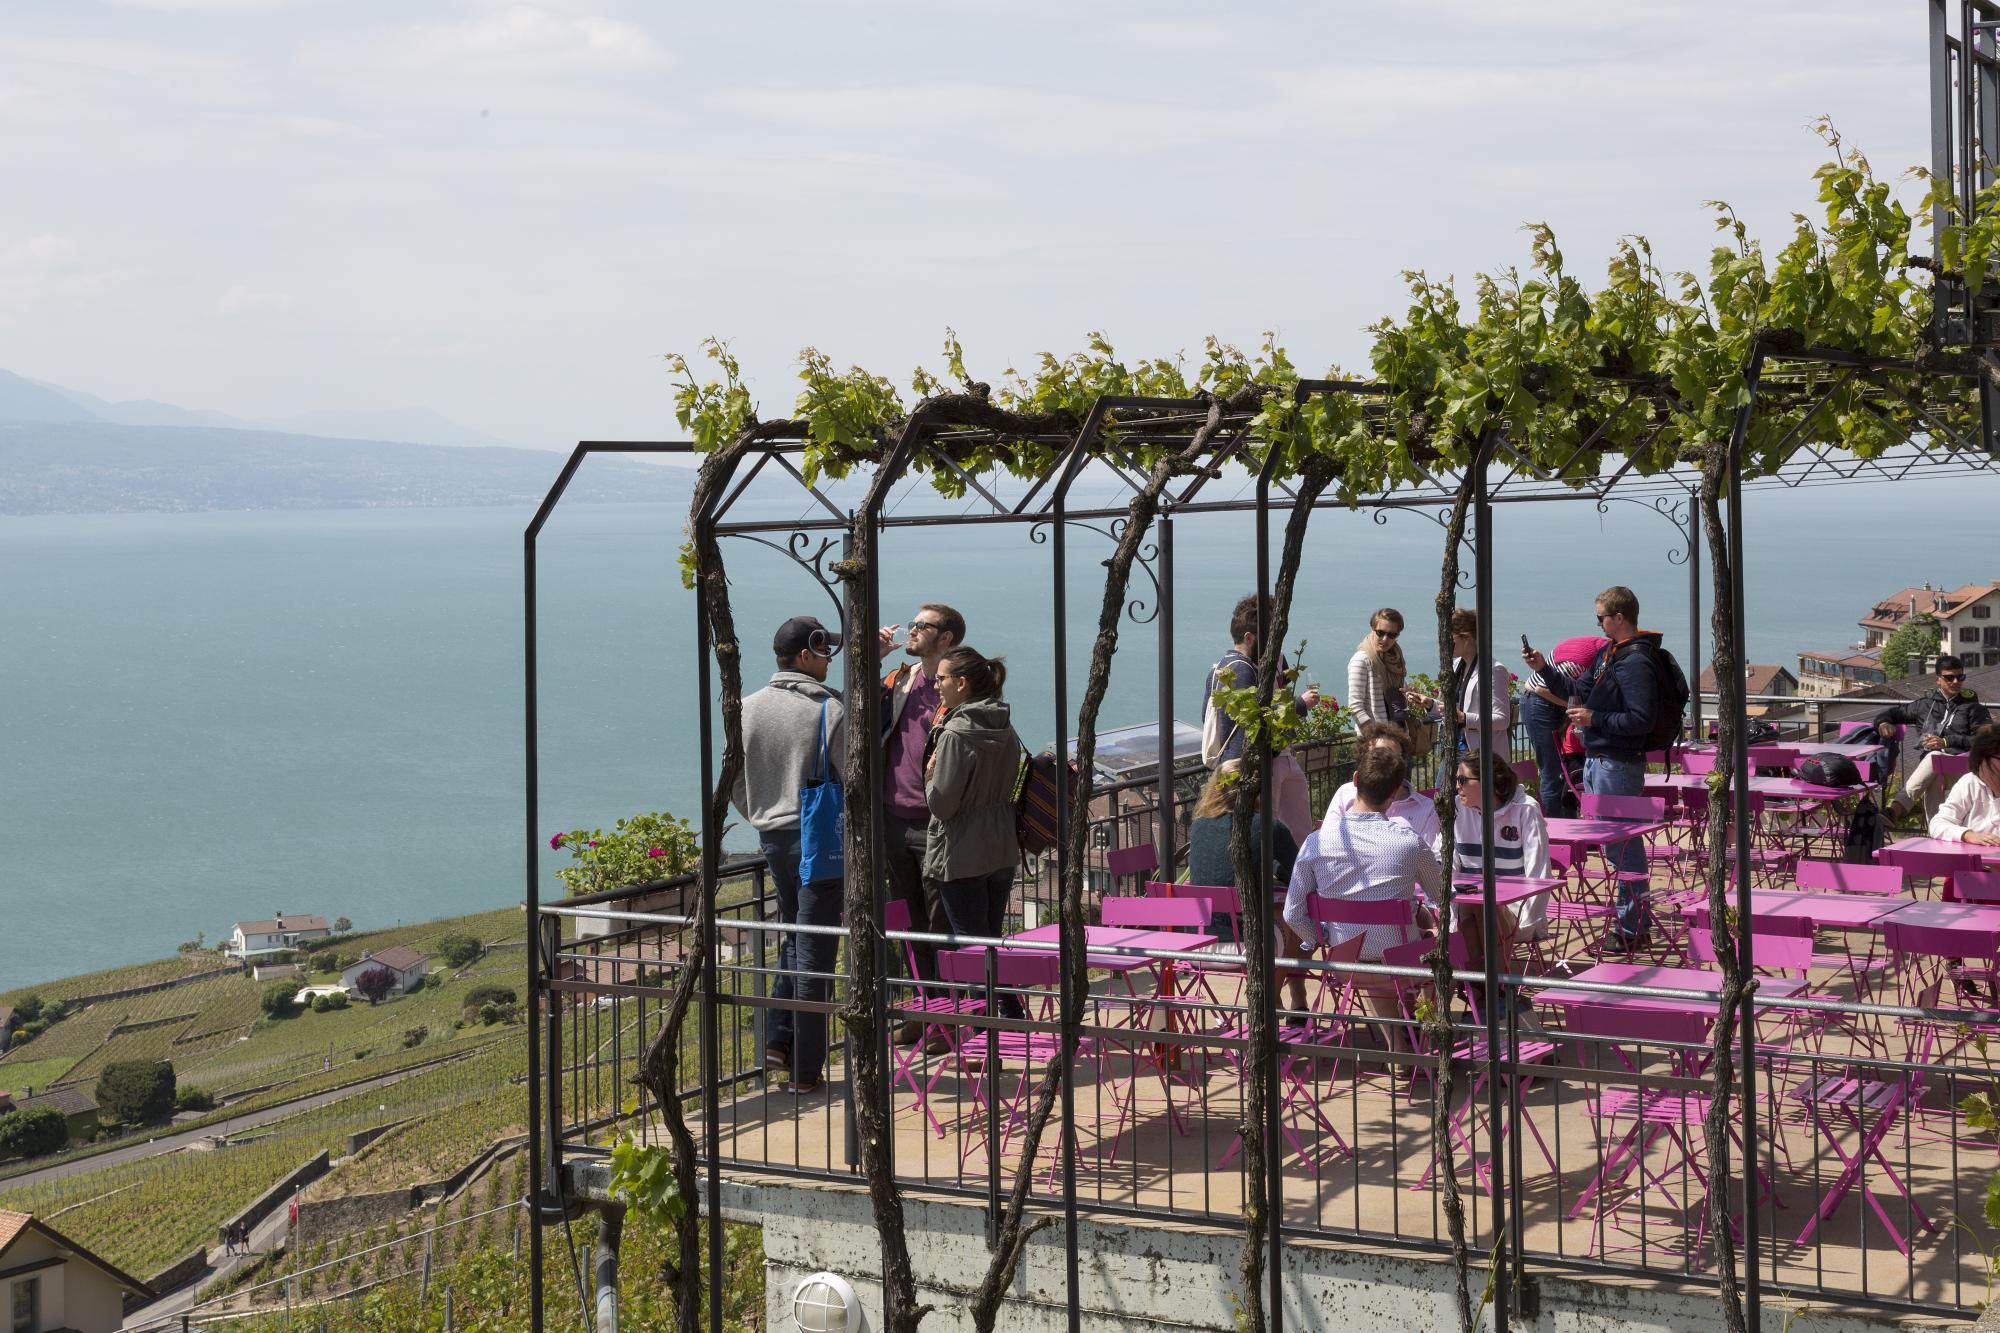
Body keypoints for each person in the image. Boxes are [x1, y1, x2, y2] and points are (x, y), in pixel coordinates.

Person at [731, 615, 846, 1093]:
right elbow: (851, 776)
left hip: (773, 837)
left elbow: (734, 779)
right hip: (821, 840)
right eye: (825, 653)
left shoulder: (745, 707)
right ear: (806, 655)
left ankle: (777, 1039)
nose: (828, 662)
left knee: (795, 938)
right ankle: (805, 1071)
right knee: (815, 954)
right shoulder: (831, 709)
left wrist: (760, 811)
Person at [1522, 585, 1659, 951]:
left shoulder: (1634, 662)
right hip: (1601, 761)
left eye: (1601, 617)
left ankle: (1633, 928)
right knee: (1615, 846)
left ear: (1619, 617)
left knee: (1622, 847)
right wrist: (1543, 669)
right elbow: (1574, 688)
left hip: (1617, 764)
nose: (1597, 623)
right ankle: (1631, 922)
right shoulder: (1609, 656)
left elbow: (1641, 719)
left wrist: (1595, 717)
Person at [1284, 747, 1441, 1039]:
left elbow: (1292, 912)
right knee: (1448, 950)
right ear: (1395, 792)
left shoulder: (1317, 842)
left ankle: (1398, 1047)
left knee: (1376, 955)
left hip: (1344, 962)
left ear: (1355, 780)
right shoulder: (1409, 842)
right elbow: (1441, 896)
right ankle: (1430, 1037)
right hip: (1402, 963)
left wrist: (1320, 937)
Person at [922, 646, 1028, 1017]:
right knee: (989, 943)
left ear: (961, 683)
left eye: (942, 678)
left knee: (971, 949)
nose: (937, 685)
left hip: (962, 852)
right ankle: (1011, 1015)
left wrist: (930, 773)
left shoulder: (956, 734)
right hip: (1000, 846)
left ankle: (990, 1033)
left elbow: (942, 805)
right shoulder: (1004, 724)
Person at [878, 603, 964, 1045]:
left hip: (936, 823)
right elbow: (857, 716)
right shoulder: (902, 679)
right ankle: (924, 1010)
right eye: (912, 623)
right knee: (908, 922)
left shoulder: (962, 684)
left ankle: (948, 1015)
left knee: (939, 923)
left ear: (945, 637)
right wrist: (869, 661)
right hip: (895, 817)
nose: (910, 630)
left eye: (921, 625)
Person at [1203, 593, 1319, 843]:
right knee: (1270, 833)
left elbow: (1207, 714)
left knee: (1295, 828)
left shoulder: (1224, 667)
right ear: (1249, 637)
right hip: (1258, 764)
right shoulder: (1241, 670)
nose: (1274, 643)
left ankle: (1297, 874)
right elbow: (1256, 726)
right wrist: (1299, 705)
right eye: (1269, 636)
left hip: (1277, 757)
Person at [1439, 755, 1552, 975]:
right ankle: (1491, 995)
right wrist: (1450, 918)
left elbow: (1538, 874)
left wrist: (1525, 924)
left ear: (1487, 781)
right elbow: (1445, 863)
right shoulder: (1455, 809)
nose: (1456, 786)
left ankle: (1483, 994)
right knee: (1474, 909)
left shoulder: (1525, 809)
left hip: (1517, 912)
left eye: (1462, 779)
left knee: (1481, 907)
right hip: (1469, 912)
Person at [1186, 759, 1299, 940]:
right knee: (1291, 916)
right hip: (1246, 942)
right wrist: (1277, 872)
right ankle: (1290, 969)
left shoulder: (1198, 827)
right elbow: (1301, 876)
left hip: (1195, 943)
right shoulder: (1269, 827)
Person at [1877, 655, 1992, 822]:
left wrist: (1946, 742)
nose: (1955, 681)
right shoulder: (1925, 705)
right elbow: (1891, 713)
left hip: (1964, 768)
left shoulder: (1973, 708)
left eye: (1960, 677)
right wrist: (1883, 723)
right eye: (1949, 677)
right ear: (1938, 680)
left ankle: (1896, 808)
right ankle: (1936, 832)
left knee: (1934, 757)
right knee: (1934, 774)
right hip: (1936, 769)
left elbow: (1984, 741)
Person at [1404, 608, 1512, 760]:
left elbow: (1502, 720)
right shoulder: (1457, 665)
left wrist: (1465, 718)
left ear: (1466, 638)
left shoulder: (1493, 670)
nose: (1445, 643)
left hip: (1476, 753)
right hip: (1453, 746)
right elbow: (1453, 709)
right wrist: (1430, 704)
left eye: (1450, 638)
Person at [1521, 633, 1607, 818]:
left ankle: (1571, 825)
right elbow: (1541, 690)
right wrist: (1582, 709)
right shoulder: (1577, 663)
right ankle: (1555, 832)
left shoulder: (1602, 654)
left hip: (1557, 701)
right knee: (1553, 771)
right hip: (1539, 702)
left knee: (1566, 771)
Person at [1320, 721, 1441, 849]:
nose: (1385, 763)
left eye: (1393, 757)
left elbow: (1427, 861)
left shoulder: (1427, 809)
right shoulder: (1346, 793)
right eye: (1377, 756)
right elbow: (1326, 843)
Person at [1931, 722, 2000, 846]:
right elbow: (1938, 824)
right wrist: (1967, 835)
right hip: (1977, 863)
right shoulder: (1970, 782)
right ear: (1982, 759)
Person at [1347, 608, 1413, 732]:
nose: (1385, 639)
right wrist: (1375, 736)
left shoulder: (1395, 659)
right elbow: (1355, 707)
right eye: (1380, 633)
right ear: (1373, 630)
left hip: (1399, 735)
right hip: (1377, 740)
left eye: (1391, 635)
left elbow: (1393, 697)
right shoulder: (1361, 660)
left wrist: (1408, 695)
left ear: (1397, 635)